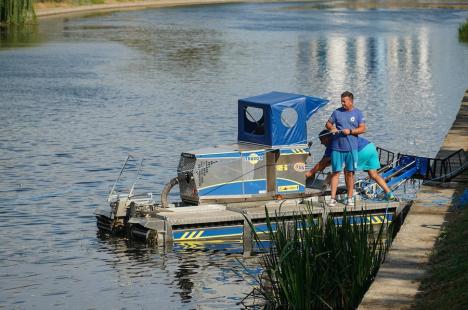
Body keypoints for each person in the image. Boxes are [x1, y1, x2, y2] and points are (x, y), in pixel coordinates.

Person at [305, 130, 397, 201]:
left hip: (361, 151)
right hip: (370, 147)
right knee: (373, 175)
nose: (321, 143)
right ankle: (389, 194)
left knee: (348, 171)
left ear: (327, 138)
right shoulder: (338, 137)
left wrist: (309, 173)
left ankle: (350, 197)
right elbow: (329, 161)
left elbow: (323, 162)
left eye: (322, 140)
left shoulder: (332, 143)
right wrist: (321, 166)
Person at [325, 91, 366, 207]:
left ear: (351, 101)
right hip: (337, 148)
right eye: (341, 101)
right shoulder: (337, 112)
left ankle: (349, 198)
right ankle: (332, 199)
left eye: (344, 101)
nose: (342, 103)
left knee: (350, 173)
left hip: (351, 148)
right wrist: (331, 128)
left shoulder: (358, 113)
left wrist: (351, 131)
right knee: (335, 172)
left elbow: (363, 129)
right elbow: (327, 124)